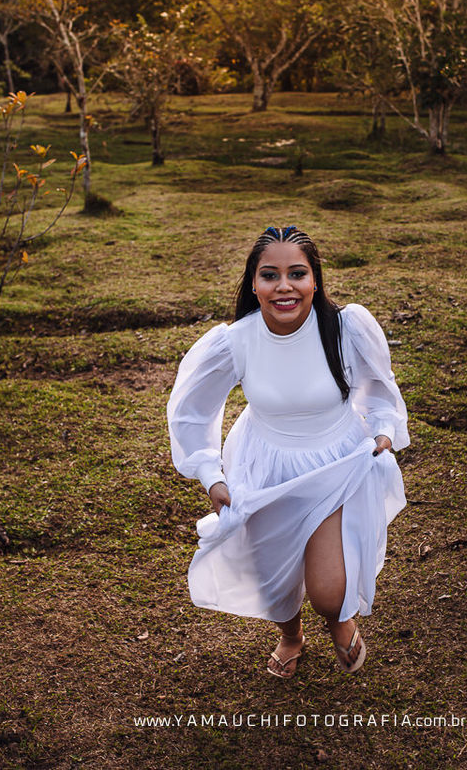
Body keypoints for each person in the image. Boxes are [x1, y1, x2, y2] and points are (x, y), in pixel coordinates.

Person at [167, 225, 409, 678]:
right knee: (273, 576)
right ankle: (291, 635)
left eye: (297, 274)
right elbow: (191, 410)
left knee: (329, 591)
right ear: (253, 284)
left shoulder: (345, 327)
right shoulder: (235, 340)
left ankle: (338, 618)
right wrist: (211, 474)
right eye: (269, 275)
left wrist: (383, 430)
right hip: (265, 464)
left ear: (314, 280)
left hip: (334, 464)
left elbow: (379, 388)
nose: (284, 286)